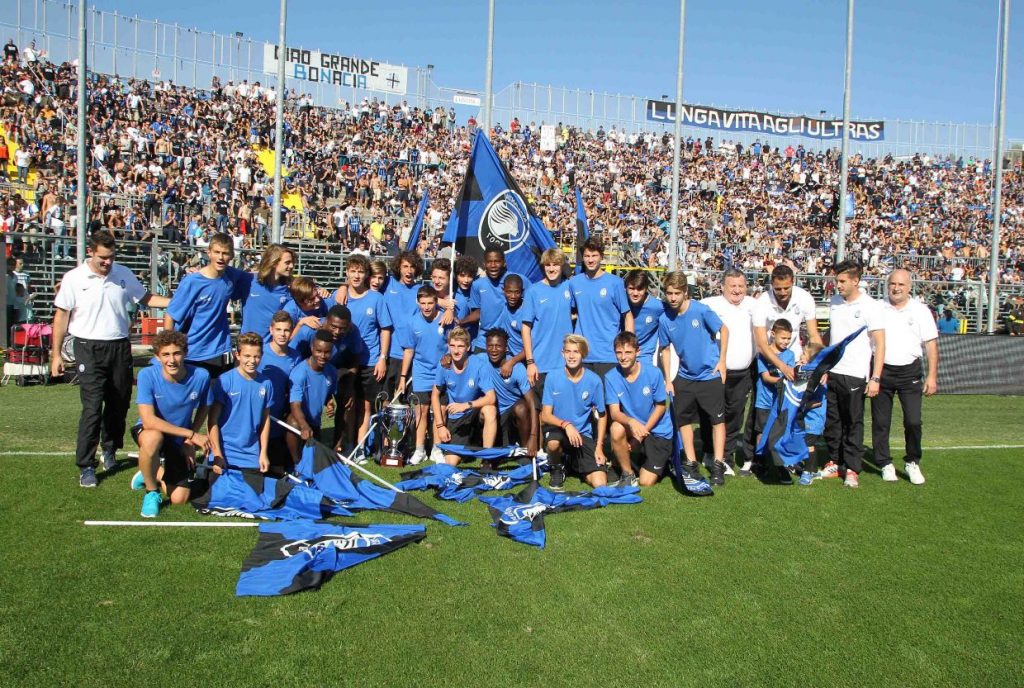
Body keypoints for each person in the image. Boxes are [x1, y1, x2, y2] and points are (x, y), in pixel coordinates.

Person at [51, 230, 170, 488]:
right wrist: (55, 355)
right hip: (88, 347)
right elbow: (61, 316)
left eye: (111, 257)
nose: (107, 263)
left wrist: (176, 302)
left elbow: (146, 298)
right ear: (91, 252)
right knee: (92, 407)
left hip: (119, 347)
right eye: (103, 258)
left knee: (118, 403)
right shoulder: (74, 278)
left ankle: (110, 450)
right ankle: (86, 466)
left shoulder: (123, 273)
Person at [658, 271, 730, 486]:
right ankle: (690, 462)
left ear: (685, 292)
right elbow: (665, 349)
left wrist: (722, 361)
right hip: (684, 377)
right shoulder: (665, 319)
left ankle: (718, 465)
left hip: (709, 375)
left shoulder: (700, 310)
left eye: (676, 293)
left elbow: (723, 330)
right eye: (669, 293)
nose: (672, 298)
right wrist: (668, 378)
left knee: (717, 421)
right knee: (683, 421)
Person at [131, 331, 212, 518]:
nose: (172, 360)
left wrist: (188, 442)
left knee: (179, 499)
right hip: (149, 431)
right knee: (153, 438)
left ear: (185, 353)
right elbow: (149, 420)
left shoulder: (201, 376)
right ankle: (151, 492)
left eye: (176, 353)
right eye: (165, 354)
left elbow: (205, 406)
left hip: (179, 437)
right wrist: (192, 435)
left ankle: (149, 471)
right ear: (157, 357)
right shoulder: (146, 375)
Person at [871, 269, 938, 485]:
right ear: (887, 285)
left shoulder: (920, 310)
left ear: (909, 287)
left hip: (910, 372)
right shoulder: (877, 308)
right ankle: (884, 463)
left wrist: (932, 376)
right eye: (893, 284)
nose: (896, 288)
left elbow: (930, 344)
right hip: (882, 371)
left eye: (901, 284)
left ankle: (912, 461)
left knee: (913, 421)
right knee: (881, 422)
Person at [824, 260, 886, 489]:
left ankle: (852, 468)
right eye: (836, 281)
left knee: (853, 422)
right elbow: (832, 334)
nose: (837, 285)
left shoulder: (871, 306)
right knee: (833, 421)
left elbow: (879, 343)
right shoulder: (835, 302)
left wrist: (875, 377)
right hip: (833, 372)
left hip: (855, 374)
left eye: (842, 281)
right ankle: (835, 461)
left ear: (855, 281)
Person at [164, 232, 248, 379]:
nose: (221, 257)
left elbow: (256, 277)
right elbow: (170, 316)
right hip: (192, 351)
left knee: (217, 400)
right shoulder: (192, 281)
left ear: (232, 255)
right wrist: (168, 349)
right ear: (208, 253)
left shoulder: (232, 276)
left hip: (219, 351)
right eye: (217, 252)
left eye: (225, 253)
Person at [701, 268, 757, 473]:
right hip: (714, 370)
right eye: (732, 286)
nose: (737, 290)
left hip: (742, 372)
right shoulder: (709, 304)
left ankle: (727, 455)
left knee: (735, 415)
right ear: (722, 287)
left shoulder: (753, 305)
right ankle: (709, 452)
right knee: (711, 414)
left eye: (741, 286)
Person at [605, 332, 673, 488]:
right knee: (616, 428)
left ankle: (665, 460)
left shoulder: (653, 372)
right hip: (634, 427)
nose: (623, 357)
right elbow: (615, 413)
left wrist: (640, 436)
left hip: (657, 429)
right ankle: (628, 474)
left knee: (646, 482)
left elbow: (661, 406)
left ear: (638, 352)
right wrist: (631, 422)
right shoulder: (611, 377)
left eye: (628, 352)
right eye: (619, 352)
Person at [540, 334, 608, 490]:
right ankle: (557, 468)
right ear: (562, 353)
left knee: (600, 483)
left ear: (583, 354)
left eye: (576, 352)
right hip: (558, 429)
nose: (571, 356)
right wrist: (566, 425)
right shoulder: (552, 377)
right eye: (568, 351)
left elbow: (603, 416)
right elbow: (545, 415)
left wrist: (599, 447)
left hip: (582, 434)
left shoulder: (594, 380)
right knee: (553, 444)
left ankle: (574, 463)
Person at [342, 254, 393, 451]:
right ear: (346, 272)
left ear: (366, 275)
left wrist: (382, 358)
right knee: (347, 405)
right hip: (345, 361)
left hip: (370, 360)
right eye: (353, 271)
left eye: (360, 272)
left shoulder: (376, 298)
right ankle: (346, 443)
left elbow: (385, 330)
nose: (356, 276)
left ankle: (360, 447)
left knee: (365, 405)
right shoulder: (341, 296)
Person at [397, 286, 451, 464]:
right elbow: (409, 351)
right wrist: (403, 377)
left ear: (436, 302)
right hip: (421, 372)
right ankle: (419, 449)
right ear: (418, 303)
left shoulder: (446, 318)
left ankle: (436, 448)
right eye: (423, 303)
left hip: (441, 372)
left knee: (440, 411)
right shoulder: (412, 323)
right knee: (420, 411)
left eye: (430, 303)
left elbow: (454, 344)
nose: (427, 307)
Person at [208, 332, 274, 474]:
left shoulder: (266, 383)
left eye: (256, 356)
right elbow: (212, 420)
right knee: (217, 495)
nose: (252, 361)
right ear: (237, 355)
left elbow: (265, 420)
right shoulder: (224, 381)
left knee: (252, 495)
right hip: (225, 452)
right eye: (247, 356)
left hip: (250, 456)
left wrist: (263, 453)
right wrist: (217, 454)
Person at [432, 327, 498, 466]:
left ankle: (487, 459)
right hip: (457, 417)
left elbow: (491, 397)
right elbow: (435, 394)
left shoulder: (479, 364)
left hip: (473, 411)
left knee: (490, 409)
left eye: (460, 346)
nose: (456, 351)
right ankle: (464, 448)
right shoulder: (444, 364)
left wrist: (466, 405)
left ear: (468, 347)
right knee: (451, 462)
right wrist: (440, 427)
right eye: (452, 346)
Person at [568, 238, 633, 377]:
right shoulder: (574, 283)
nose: (590, 260)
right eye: (587, 256)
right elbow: (572, 313)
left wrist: (628, 347)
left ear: (601, 257)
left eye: (594, 255)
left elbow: (627, 316)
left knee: (607, 398)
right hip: (582, 355)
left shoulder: (615, 283)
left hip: (608, 355)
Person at [522, 249, 576, 406]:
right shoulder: (534, 291)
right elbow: (526, 328)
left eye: (556, 265)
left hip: (566, 363)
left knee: (565, 408)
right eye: (548, 265)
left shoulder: (569, 287)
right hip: (541, 363)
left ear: (562, 266)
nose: (551, 269)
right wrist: (530, 362)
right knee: (542, 412)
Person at [475, 328, 538, 459]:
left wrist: (533, 437)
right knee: (486, 410)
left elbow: (532, 404)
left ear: (506, 347)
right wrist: (447, 357)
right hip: (492, 417)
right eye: (490, 346)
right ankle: (487, 451)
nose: (493, 350)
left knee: (521, 407)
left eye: (498, 346)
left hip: (511, 417)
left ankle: (525, 451)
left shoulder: (518, 368)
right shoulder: (480, 360)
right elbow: (461, 357)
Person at [753, 265, 822, 381]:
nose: (783, 292)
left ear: (793, 282)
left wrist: (818, 364)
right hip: (768, 359)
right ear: (772, 284)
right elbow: (761, 344)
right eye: (778, 289)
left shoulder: (805, 298)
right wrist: (783, 367)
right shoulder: (762, 302)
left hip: (795, 358)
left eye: (786, 288)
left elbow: (814, 335)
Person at [257, 310, 303, 472]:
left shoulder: (296, 357)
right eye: (278, 329)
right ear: (271, 330)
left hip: (279, 419)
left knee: (278, 469)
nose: (282, 334)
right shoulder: (259, 354)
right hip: (259, 417)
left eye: (286, 330)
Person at [753, 319, 797, 483]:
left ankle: (781, 467)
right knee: (762, 433)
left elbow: (792, 375)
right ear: (773, 335)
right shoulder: (764, 354)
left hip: (781, 403)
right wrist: (781, 380)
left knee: (780, 434)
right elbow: (765, 377)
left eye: (788, 338)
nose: (786, 341)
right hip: (764, 402)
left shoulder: (790, 355)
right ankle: (760, 462)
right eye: (783, 338)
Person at [286, 330, 338, 462]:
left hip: (315, 425)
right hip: (302, 424)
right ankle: (296, 464)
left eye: (327, 352)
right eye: (319, 351)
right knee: (293, 421)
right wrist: (304, 426)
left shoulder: (331, 371)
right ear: (312, 348)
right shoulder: (300, 373)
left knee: (318, 462)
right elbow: (295, 405)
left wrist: (330, 403)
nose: (322, 355)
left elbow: (329, 393)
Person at [466, 249, 527, 352]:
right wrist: (462, 321)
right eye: (489, 262)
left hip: (511, 345)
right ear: (484, 264)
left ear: (504, 263)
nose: (493, 265)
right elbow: (478, 312)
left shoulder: (519, 280)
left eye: (497, 261)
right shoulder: (477, 285)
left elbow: (532, 306)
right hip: (484, 342)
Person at [384, 251, 426, 396]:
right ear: (398, 268)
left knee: (406, 404)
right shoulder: (388, 283)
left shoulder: (420, 291)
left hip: (411, 355)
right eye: (405, 266)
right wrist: (344, 287)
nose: (409, 271)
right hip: (390, 353)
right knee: (386, 400)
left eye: (412, 267)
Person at [239, 244, 295, 341]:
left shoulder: (290, 287)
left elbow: (307, 288)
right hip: (247, 346)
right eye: (287, 262)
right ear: (274, 262)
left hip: (271, 348)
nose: (291, 266)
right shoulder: (249, 280)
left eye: (292, 262)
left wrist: (320, 290)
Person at [624, 269, 665, 366]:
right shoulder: (620, 302)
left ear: (646, 288)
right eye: (631, 288)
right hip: (621, 355)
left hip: (644, 358)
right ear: (625, 288)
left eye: (639, 289)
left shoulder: (657, 307)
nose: (635, 293)